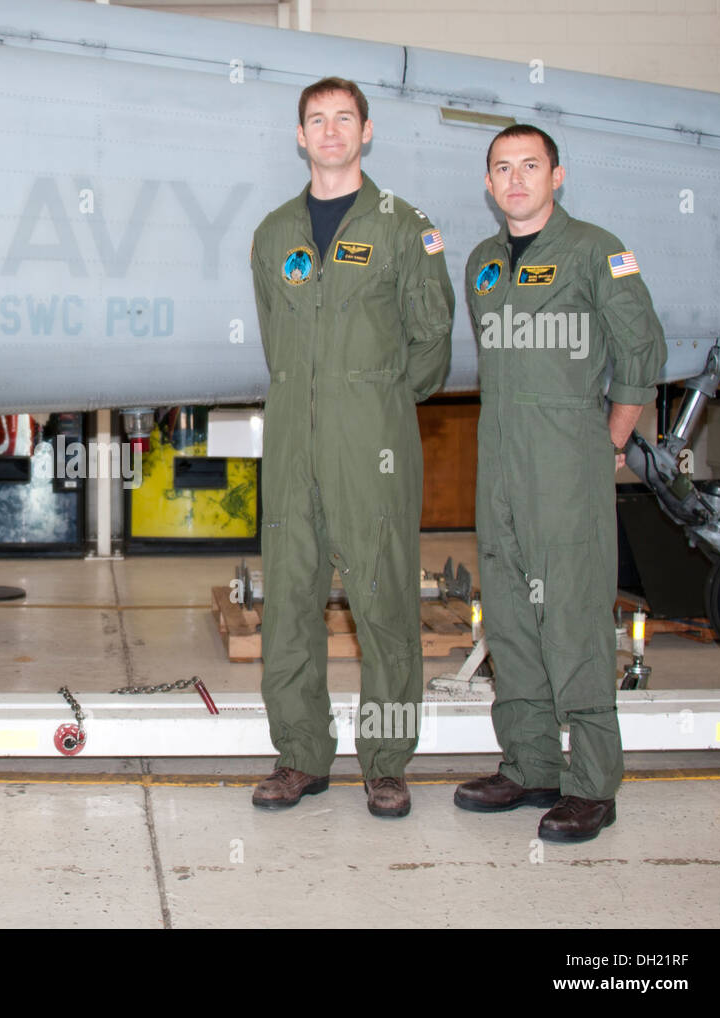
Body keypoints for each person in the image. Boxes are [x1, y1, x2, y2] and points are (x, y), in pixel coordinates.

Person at [454, 125, 665, 842]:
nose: (516, 180)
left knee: (571, 615)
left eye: (530, 166)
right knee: (509, 612)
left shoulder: (596, 251)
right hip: (501, 461)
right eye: (502, 169)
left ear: (558, 175)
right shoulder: (483, 262)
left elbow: (641, 351)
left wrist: (605, 440)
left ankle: (592, 784)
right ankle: (530, 764)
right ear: (488, 184)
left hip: (566, 461)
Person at [250, 77, 454, 818]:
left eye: (344, 119)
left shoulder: (405, 226)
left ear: (367, 132)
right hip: (292, 445)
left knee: (385, 603)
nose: (330, 131)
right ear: (300, 136)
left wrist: (375, 400)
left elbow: (432, 341)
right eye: (316, 120)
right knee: (290, 603)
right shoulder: (274, 233)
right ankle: (301, 755)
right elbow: (276, 334)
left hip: (374, 446)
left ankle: (387, 763)